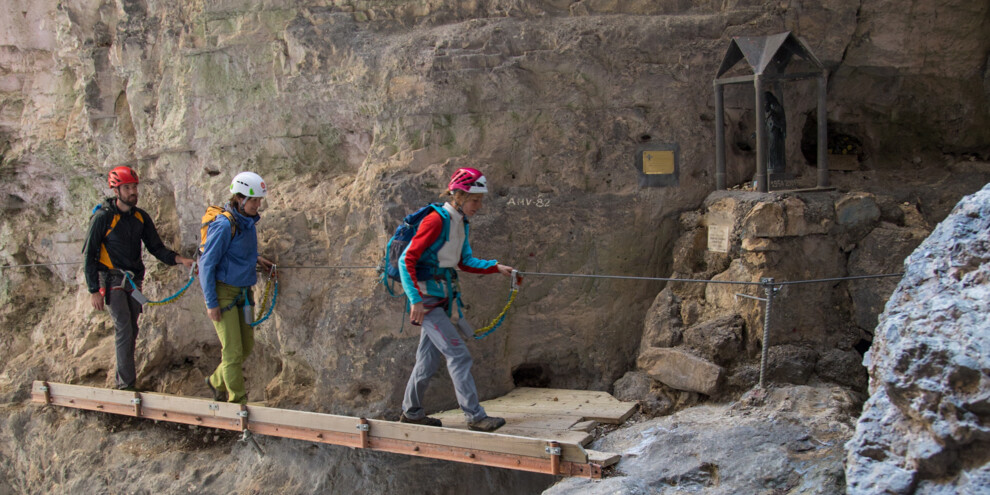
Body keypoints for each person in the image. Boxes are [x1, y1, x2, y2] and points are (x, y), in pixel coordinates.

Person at [398, 167, 517, 432]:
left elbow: (464, 261)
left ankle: (412, 412)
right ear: (458, 196)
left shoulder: (460, 222)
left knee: (427, 360)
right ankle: (475, 416)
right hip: (427, 302)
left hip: (442, 298)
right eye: (474, 199)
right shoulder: (436, 221)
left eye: (480, 200)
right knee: (459, 356)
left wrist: (495, 267)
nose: (478, 205)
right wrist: (415, 300)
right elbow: (406, 259)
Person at [83, 165, 195, 391]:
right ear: (117, 190)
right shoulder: (103, 218)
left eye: (134, 187)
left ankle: (123, 380)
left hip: (133, 281)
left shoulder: (140, 217)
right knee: (124, 327)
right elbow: (90, 254)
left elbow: (156, 248)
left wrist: (180, 260)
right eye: (127, 188)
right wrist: (93, 289)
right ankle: (126, 386)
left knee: (132, 329)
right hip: (111, 280)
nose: (133, 191)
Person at [199, 171, 275, 404]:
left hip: (244, 294)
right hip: (224, 295)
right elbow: (206, 265)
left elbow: (237, 251)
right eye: (253, 200)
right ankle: (238, 402)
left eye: (259, 200)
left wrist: (256, 258)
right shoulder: (224, 225)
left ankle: (215, 381)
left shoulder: (248, 223)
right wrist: (211, 303)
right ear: (239, 199)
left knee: (246, 347)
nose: (257, 205)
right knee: (232, 352)